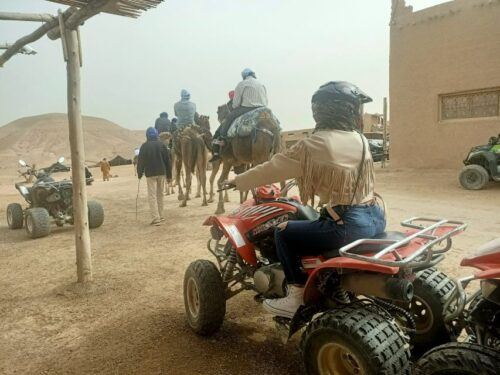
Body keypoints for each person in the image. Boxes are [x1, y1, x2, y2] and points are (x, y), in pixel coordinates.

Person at [225, 81, 384, 318]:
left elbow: (272, 167)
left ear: (321, 110)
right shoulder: (359, 139)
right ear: (346, 111)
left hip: (347, 224)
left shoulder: (315, 144)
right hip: (376, 216)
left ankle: (296, 295)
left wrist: (239, 180)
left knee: (283, 231)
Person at [210, 68, 268, 162]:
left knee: (229, 118)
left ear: (244, 76)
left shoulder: (242, 84)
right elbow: (266, 100)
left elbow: (235, 104)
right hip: (263, 110)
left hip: (246, 108)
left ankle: (222, 138)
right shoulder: (261, 84)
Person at [137, 127, 172, 226]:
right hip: (161, 173)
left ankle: (156, 218)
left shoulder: (144, 146)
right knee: (160, 195)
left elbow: (141, 162)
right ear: (156, 134)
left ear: (147, 135)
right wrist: (169, 175)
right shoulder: (162, 145)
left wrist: (139, 173)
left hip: (150, 174)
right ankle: (161, 215)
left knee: (152, 196)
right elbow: (167, 161)